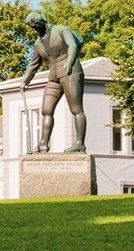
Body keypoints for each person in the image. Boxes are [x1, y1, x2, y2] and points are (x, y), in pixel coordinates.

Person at [20, 16, 87, 154]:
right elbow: (34, 64)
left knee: (76, 109)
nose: (35, 29)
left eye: (35, 25)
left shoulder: (61, 29)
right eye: (32, 27)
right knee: (46, 110)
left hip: (70, 71)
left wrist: (70, 60)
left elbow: (72, 45)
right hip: (53, 76)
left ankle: (80, 143)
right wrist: (25, 81)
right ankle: (43, 145)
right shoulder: (38, 43)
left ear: (41, 21)